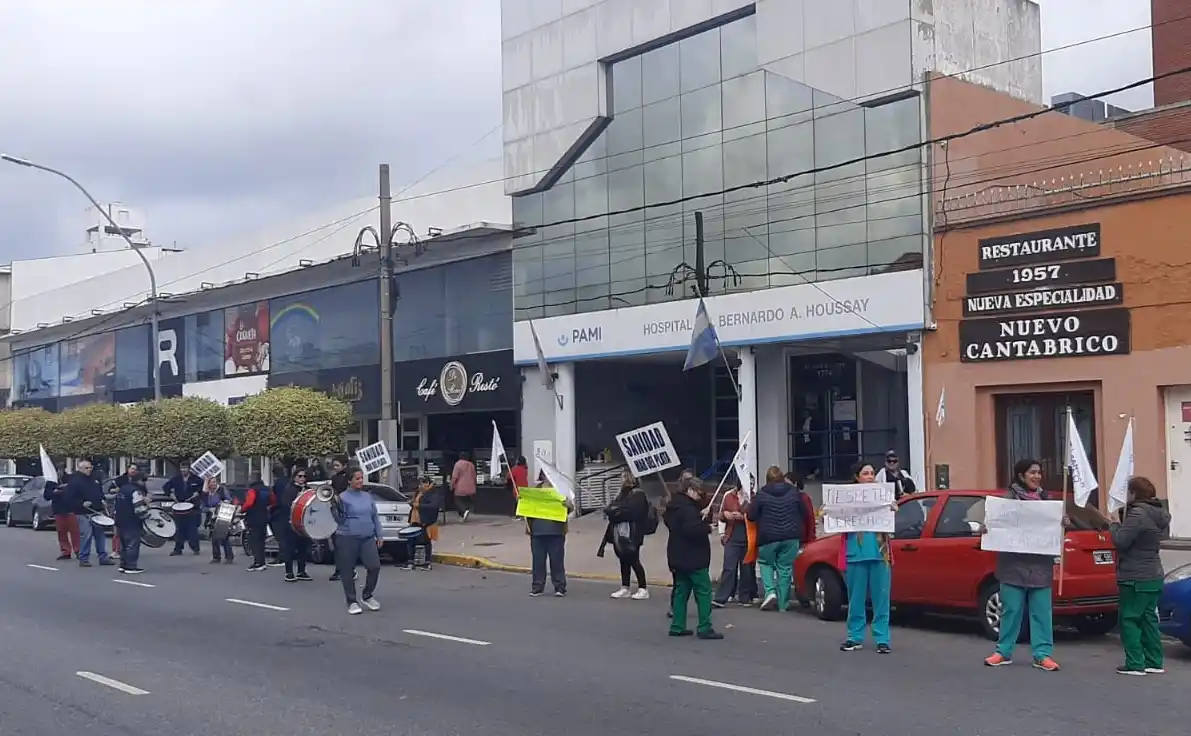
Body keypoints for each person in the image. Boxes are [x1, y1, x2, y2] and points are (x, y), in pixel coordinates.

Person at [982, 458, 1062, 671]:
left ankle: (1042, 654)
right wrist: (986, 527)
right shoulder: (1007, 500)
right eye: (1032, 472)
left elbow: (1057, 529)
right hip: (1013, 566)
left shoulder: (1047, 501)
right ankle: (1003, 651)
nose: (1037, 476)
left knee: (1042, 612)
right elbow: (994, 524)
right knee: (1010, 610)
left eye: (1039, 472)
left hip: (1040, 566)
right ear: (1020, 475)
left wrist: (1064, 523)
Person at [1103, 476, 1169, 676]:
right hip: (1153, 573)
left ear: (1133, 494)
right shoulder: (1161, 514)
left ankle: (1135, 663)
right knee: (1149, 618)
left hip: (1134, 575)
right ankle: (1154, 661)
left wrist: (1114, 524)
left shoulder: (1137, 514)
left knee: (1130, 618)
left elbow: (1121, 541)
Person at [839, 461, 895, 653]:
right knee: (856, 598)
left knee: (881, 598)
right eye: (866, 474)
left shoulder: (883, 495)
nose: (870, 477)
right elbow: (835, 516)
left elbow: (892, 520)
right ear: (857, 477)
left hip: (880, 554)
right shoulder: (847, 498)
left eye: (872, 473)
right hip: (856, 553)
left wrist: (892, 508)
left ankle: (882, 639)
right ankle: (855, 636)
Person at [665, 476, 722, 640]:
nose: (700, 495)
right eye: (698, 492)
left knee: (681, 591)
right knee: (703, 591)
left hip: (676, 554)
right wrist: (707, 528)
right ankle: (704, 626)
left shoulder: (674, 506)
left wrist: (700, 516)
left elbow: (679, 525)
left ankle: (677, 625)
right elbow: (691, 530)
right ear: (689, 490)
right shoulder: (688, 510)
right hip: (694, 556)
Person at [749, 466, 812, 612]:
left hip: (768, 536)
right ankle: (783, 604)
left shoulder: (761, 494)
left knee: (766, 563)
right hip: (791, 536)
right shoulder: (794, 493)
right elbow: (804, 513)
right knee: (785, 568)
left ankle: (770, 592)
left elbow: (751, 515)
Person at [333, 469, 384, 614]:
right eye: (357, 478)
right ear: (349, 481)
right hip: (347, 537)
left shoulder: (367, 496)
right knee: (347, 570)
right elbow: (339, 520)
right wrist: (334, 508)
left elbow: (374, 516)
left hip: (367, 537)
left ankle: (367, 595)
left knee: (374, 566)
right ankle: (352, 601)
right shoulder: (342, 497)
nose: (360, 481)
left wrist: (379, 535)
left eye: (362, 478)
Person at [603, 470, 652, 600]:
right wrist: (611, 510)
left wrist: (615, 513)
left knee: (634, 559)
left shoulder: (638, 494)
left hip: (633, 532)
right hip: (620, 531)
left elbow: (633, 513)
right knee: (623, 559)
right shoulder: (621, 494)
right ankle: (625, 587)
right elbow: (613, 507)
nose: (620, 479)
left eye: (622, 477)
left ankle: (643, 588)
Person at [714, 477, 758, 608]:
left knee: (747, 569)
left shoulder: (754, 498)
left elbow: (756, 516)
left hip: (748, 536)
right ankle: (721, 597)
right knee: (729, 567)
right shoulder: (728, 496)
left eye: (752, 483)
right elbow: (720, 515)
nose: (750, 485)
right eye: (747, 482)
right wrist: (725, 515)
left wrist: (743, 517)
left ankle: (744, 597)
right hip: (732, 535)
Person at [528, 471, 572, 597]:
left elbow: (570, 508)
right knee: (538, 561)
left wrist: (568, 505)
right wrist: (522, 501)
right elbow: (525, 509)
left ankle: (559, 586)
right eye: (545, 475)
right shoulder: (535, 491)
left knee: (557, 560)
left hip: (556, 531)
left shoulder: (561, 490)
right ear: (542, 476)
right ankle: (537, 586)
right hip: (537, 531)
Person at [70, 460, 113, 568]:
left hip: (97, 511)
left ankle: (103, 557)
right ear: (80, 469)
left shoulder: (94, 480)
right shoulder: (75, 481)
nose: (89, 470)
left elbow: (99, 492)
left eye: (90, 468)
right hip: (83, 512)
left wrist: (103, 500)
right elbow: (69, 497)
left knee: (100, 536)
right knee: (86, 536)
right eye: (87, 468)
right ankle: (84, 558)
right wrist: (81, 503)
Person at [277, 468, 312, 582]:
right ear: (294, 477)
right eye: (300, 476)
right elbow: (285, 504)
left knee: (303, 548)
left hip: (303, 523)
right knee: (290, 548)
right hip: (291, 523)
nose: (302, 479)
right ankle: (289, 572)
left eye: (304, 477)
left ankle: (301, 571)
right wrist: (298, 497)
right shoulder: (290, 489)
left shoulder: (308, 489)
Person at [165, 461, 204, 556]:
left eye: (185, 468)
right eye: (182, 468)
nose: (183, 470)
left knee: (192, 529)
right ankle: (178, 549)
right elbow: (166, 487)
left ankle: (195, 549)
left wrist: (198, 494)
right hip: (179, 508)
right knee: (179, 529)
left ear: (189, 469)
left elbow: (202, 489)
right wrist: (172, 495)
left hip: (192, 507)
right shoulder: (176, 479)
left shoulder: (196, 479)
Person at [112, 471, 146, 574]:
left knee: (123, 544)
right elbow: (139, 509)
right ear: (140, 481)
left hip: (120, 520)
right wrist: (146, 516)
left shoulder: (123, 489)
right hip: (132, 521)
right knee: (132, 544)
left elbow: (116, 505)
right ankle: (131, 567)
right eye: (144, 481)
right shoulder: (136, 492)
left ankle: (123, 565)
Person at [240, 471, 273, 572]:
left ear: (253, 478)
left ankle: (257, 562)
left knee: (254, 540)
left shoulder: (253, 490)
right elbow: (273, 501)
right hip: (264, 516)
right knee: (261, 541)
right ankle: (262, 562)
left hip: (253, 517)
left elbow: (249, 503)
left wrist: (241, 509)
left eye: (250, 477)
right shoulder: (268, 489)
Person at [405, 476, 441, 570]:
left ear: (428, 484)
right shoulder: (418, 492)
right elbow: (414, 502)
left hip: (426, 521)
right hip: (415, 519)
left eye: (423, 484)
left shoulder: (432, 493)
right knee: (410, 541)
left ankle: (427, 562)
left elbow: (434, 505)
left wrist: (419, 506)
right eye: (420, 484)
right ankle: (410, 562)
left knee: (426, 541)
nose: (421, 486)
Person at [203, 476, 236, 565]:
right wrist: (209, 509)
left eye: (215, 482)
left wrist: (223, 504)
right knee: (214, 538)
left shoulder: (221, 490)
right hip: (211, 517)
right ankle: (216, 557)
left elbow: (229, 500)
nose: (213, 484)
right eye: (211, 482)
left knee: (224, 537)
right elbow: (202, 506)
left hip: (222, 516)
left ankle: (229, 557)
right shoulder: (206, 493)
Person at [450, 450, 477, 522]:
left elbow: (454, 476)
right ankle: (465, 513)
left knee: (457, 500)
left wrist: (451, 485)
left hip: (460, 486)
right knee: (466, 499)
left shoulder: (458, 464)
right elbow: (474, 476)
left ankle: (464, 510)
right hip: (471, 486)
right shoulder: (471, 465)